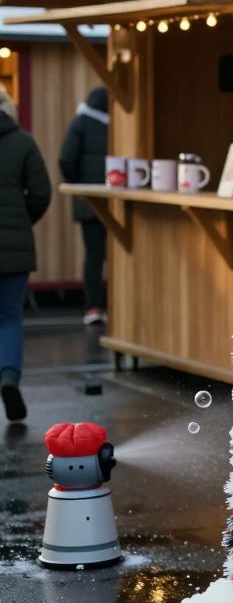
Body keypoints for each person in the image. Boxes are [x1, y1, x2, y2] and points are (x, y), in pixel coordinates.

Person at [0, 91, 53, 421]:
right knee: (9, 316)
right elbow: (41, 193)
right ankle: (8, 376)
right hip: (15, 249)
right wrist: (21, 222)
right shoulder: (23, 142)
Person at [58, 86, 110, 326]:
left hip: (88, 203)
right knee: (118, 256)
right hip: (116, 202)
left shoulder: (79, 124)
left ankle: (93, 306)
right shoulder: (116, 125)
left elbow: (65, 160)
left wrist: (78, 185)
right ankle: (115, 304)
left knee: (94, 256)